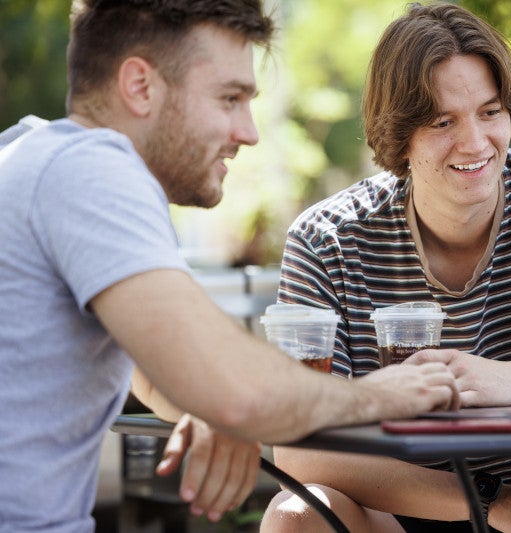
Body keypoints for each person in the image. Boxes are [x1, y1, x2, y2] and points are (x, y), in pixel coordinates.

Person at [0, 2, 460, 532]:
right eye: (229, 98)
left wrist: (217, 398)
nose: (249, 131)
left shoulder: (33, 154)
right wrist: (381, 394)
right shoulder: (91, 173)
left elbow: (158, 371)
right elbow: (235, 389)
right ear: (140, 86)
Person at [262, 2, 511, 532]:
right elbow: (299, 450)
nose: (476, 143)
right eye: (442, 121)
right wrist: (488, 500)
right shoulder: (328, 239)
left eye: (490, 112)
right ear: (399, 135)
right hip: (392, 507)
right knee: (297, 515)